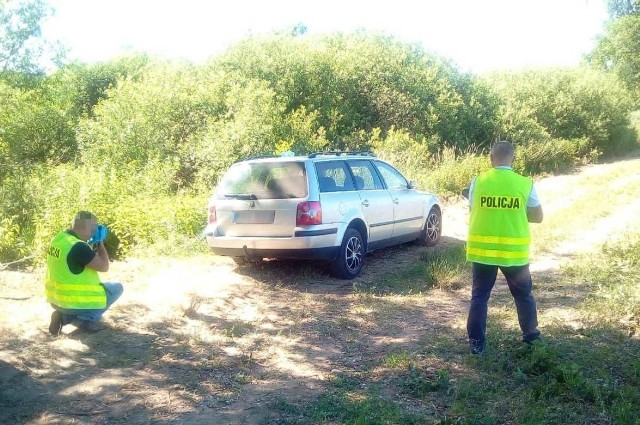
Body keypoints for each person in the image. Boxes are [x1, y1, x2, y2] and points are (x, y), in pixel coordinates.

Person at [466, 141, 544, 354]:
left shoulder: (478, 182)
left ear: (491, 158)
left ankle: (477, 344)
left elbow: (474, 209)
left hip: (483, 252)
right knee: (523, 296)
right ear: (514, 159)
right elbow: (538, 217)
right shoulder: (524, 183)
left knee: (479, 297)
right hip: (514, 253)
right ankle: (531, 338)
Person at [45, 211, 123, 335]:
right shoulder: (78, 247)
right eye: (94, 228)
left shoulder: (59, 238)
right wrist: (100, 243)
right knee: (117, 288)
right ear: (89, 228)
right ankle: (87, 320)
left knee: (104, 288)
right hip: (74, 302)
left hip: (56, 300)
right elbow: (104, 266)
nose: (94, 232)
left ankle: (63, 317)